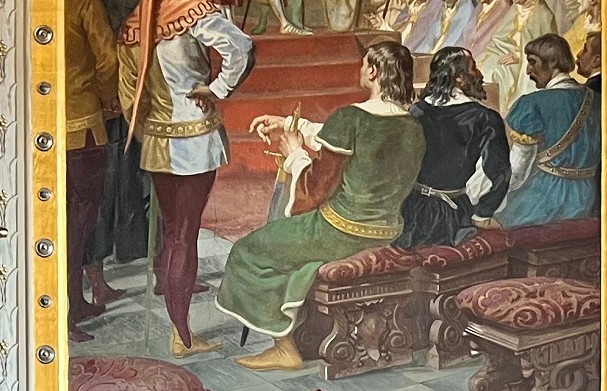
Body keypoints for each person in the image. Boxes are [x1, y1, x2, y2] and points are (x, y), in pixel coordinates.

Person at [215, 41, 427, 371]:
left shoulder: (350, 118)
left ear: (372, 71)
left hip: (338, 230)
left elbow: (314, 191)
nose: (360, 70)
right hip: (387, 230)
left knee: (249, 250)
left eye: (363, 65)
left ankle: (284, 348)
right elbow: (353, 147)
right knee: (293, 255)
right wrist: (289, 123)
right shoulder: (412, 127)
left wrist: (295, 153)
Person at [118, 0, 254, 356]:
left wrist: (150, 134)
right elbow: (241, 48)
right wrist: (219, 89)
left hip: (158, 141)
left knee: (172, 229)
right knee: (184, 234)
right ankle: (182, 336)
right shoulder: (193, 12)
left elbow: (129, 97)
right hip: (194, 140)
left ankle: (179, 326)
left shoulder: (135, 23)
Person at [393, 46, 511, 249]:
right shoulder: (484, 118)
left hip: (412, 212)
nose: (480, 75)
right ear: (459, 78)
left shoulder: (417, 111)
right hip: (455, 216)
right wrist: (484, 213)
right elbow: (498, 171)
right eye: (474, 68)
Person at [498, 34, 599, 227]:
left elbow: (518, 169)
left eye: (532, 62)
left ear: (553, 62)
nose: (528, 70)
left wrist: (496, 197)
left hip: (544, 200)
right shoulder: (598, 100)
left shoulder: (532, 104)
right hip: (586, 198)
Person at [65, 0, 122, 340]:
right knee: (76, 228)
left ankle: (75, 300)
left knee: (58, 228)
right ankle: (67, 313)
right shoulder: (84, 3)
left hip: (39, 131)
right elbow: (108, 59)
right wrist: (105, 99)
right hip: (82, 128)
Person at [476, 0, 554, 114]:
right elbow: (499, 38)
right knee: (481, 66)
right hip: (504, 52)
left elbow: (545, 50)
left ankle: (496, 114)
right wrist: (500, 51)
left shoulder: (544, 14)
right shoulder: (514, 10)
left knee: (495, 72)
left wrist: (520, 56)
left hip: (525, 61)